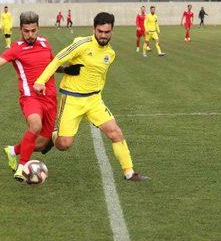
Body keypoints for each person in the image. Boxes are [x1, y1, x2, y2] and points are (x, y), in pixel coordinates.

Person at [0, 11, 81, 182]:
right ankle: (22, 166)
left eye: (33, 30)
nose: (30, 35)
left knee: (40, 144)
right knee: (35, 125)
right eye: (26, 31)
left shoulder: (45, 44)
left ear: (38, 28)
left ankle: (12, 151)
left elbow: (52, 65)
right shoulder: (16, 48)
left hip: (50, 99)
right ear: (20, 30)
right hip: (30, 97)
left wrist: (67, 69)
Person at [33, 12, 149, 181]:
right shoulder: (81, 44)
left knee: (116, 133)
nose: (103, 35)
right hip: (72, 99)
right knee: (64, 144)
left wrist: (97, 96)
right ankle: (54, 135)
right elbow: (57, 59)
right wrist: (41, 81)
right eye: (100, 31)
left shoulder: (110, 54)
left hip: (94, 101)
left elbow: (99, 77)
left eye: (106, 32)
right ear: (93, 29)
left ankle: (129, 172)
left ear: (112, 31)